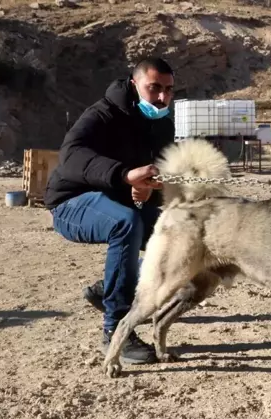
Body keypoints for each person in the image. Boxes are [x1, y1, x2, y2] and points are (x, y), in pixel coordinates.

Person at [43, 57, 177, 364]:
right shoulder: (103, 113)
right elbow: (71, 155)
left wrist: (151, 189)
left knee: (177, 236)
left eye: (168, 90)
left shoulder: (163, 123)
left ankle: (111, 290)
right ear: (134, 84)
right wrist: (123, 175)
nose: (162, 97)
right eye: (153, 88)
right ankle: (115, 330)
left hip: (120, 201)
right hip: (70, 202)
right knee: (125, 223)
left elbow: (153, 177)